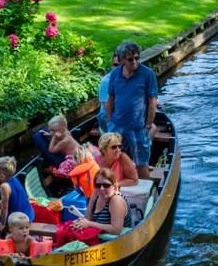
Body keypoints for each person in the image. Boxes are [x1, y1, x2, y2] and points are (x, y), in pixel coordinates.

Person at [104, 40, 158, 169]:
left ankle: (145, 187)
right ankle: (112, 186)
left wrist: (149, 124)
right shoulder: (115, 74)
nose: (134, 61)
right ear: (122, 60)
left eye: (137, 58)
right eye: (130, 59)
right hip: (117, 125)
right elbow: (111, 97)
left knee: (141, 164)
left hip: (138, 127)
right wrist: (110, 119)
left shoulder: (147, 74)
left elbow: (152, 101)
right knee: (112, 160)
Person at [54, 167, 128, 247]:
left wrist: (89, 224)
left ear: (113, 185)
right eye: (98, 185)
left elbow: (116, 230)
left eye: (106, 185)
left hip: (116, 243)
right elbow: (87, 218)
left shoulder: (116, 200)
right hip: (99, 241)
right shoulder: (97, 195)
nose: (102, 188)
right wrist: (92, 201)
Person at [96, 46, 124, 132]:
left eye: (121, 65)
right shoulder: (106, 82)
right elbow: (109, 110)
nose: (117, 69)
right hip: (109, 118)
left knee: (152, 128)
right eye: (115, 65)